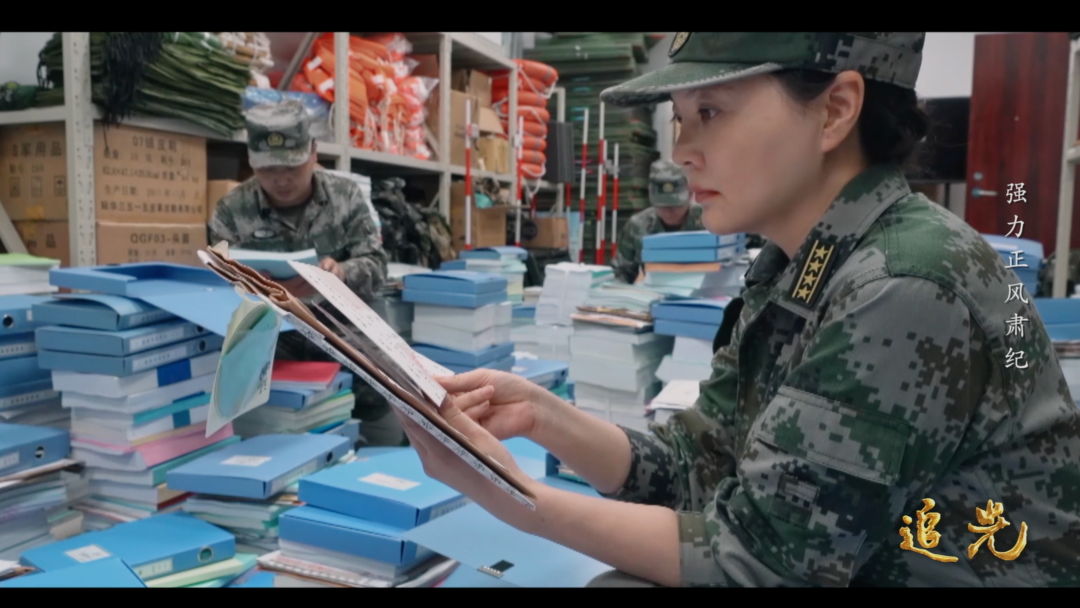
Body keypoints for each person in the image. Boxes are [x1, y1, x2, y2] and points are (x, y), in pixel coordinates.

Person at [393, 32, 1080, 587]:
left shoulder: (904, 285)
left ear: (836, 110)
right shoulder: (798, 263)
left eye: (711, 113)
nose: (681, 153)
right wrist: (541, 416)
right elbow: (696, 463)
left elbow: (760, 561)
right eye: (679, 118)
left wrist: (514, 496)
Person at [207, 100, 404, 447]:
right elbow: (216, 284)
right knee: (240, 390)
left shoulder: (344, 197)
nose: (282, 179)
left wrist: (340, 273)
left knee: (384, 381)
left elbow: (376, 264)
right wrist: (258, 288)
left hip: (340, 323)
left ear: (313, 153)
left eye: (292, 167)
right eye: (269, 170)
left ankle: (379, 450)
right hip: (271, 329)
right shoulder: (231, 211)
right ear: (251, 161)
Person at [611, 159, 705, 283]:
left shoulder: (709, 222)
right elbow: (621, 272)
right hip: (653, 290)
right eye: (662, 206)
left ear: (690, 194)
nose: (669, 211)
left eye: (675, 205)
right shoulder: (638, 225)